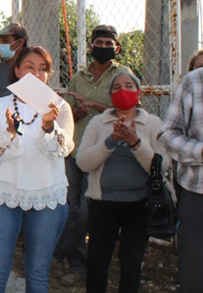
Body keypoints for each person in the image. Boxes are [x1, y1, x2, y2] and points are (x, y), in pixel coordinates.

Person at [0, 46, 74, 293]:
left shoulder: (60, 107)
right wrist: (10, 133)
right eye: (30, 67)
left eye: (43, 69)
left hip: (46, 198)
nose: (37, 74)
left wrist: (48, 126)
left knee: (38, 274)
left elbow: (62, 150)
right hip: (4, 196)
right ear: (18, 70)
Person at [55, 25, 132, 286]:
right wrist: (77, 113)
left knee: (87, 212)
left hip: (103, 154)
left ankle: (58, 251)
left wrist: (97, 106)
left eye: (109, 43)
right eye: (99, 42)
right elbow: (67, 113)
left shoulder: (123, 75)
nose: (103, 47)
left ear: (117, 48)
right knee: (71, 208)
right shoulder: (80, 77)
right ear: (91, 46)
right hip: (75, 149)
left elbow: (130, 110)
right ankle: (77, 265)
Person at [76, 72, 165, 293]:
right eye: (117, 87)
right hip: (103, 203)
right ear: (110, 95)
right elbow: (83, 163)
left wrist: (135, 143)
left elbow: (161, 167)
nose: (123, 90)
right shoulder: (99, 122)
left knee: (131, 264)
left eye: (128, 85)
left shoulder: (153, 124)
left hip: (139, 205)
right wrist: (111, 141)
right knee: (97, 261)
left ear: (139, 93)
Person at [158, 67, 203, 292]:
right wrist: (199, 152)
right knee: (194, 278)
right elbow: (167, 134)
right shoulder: (194, 82)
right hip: (197, 197)